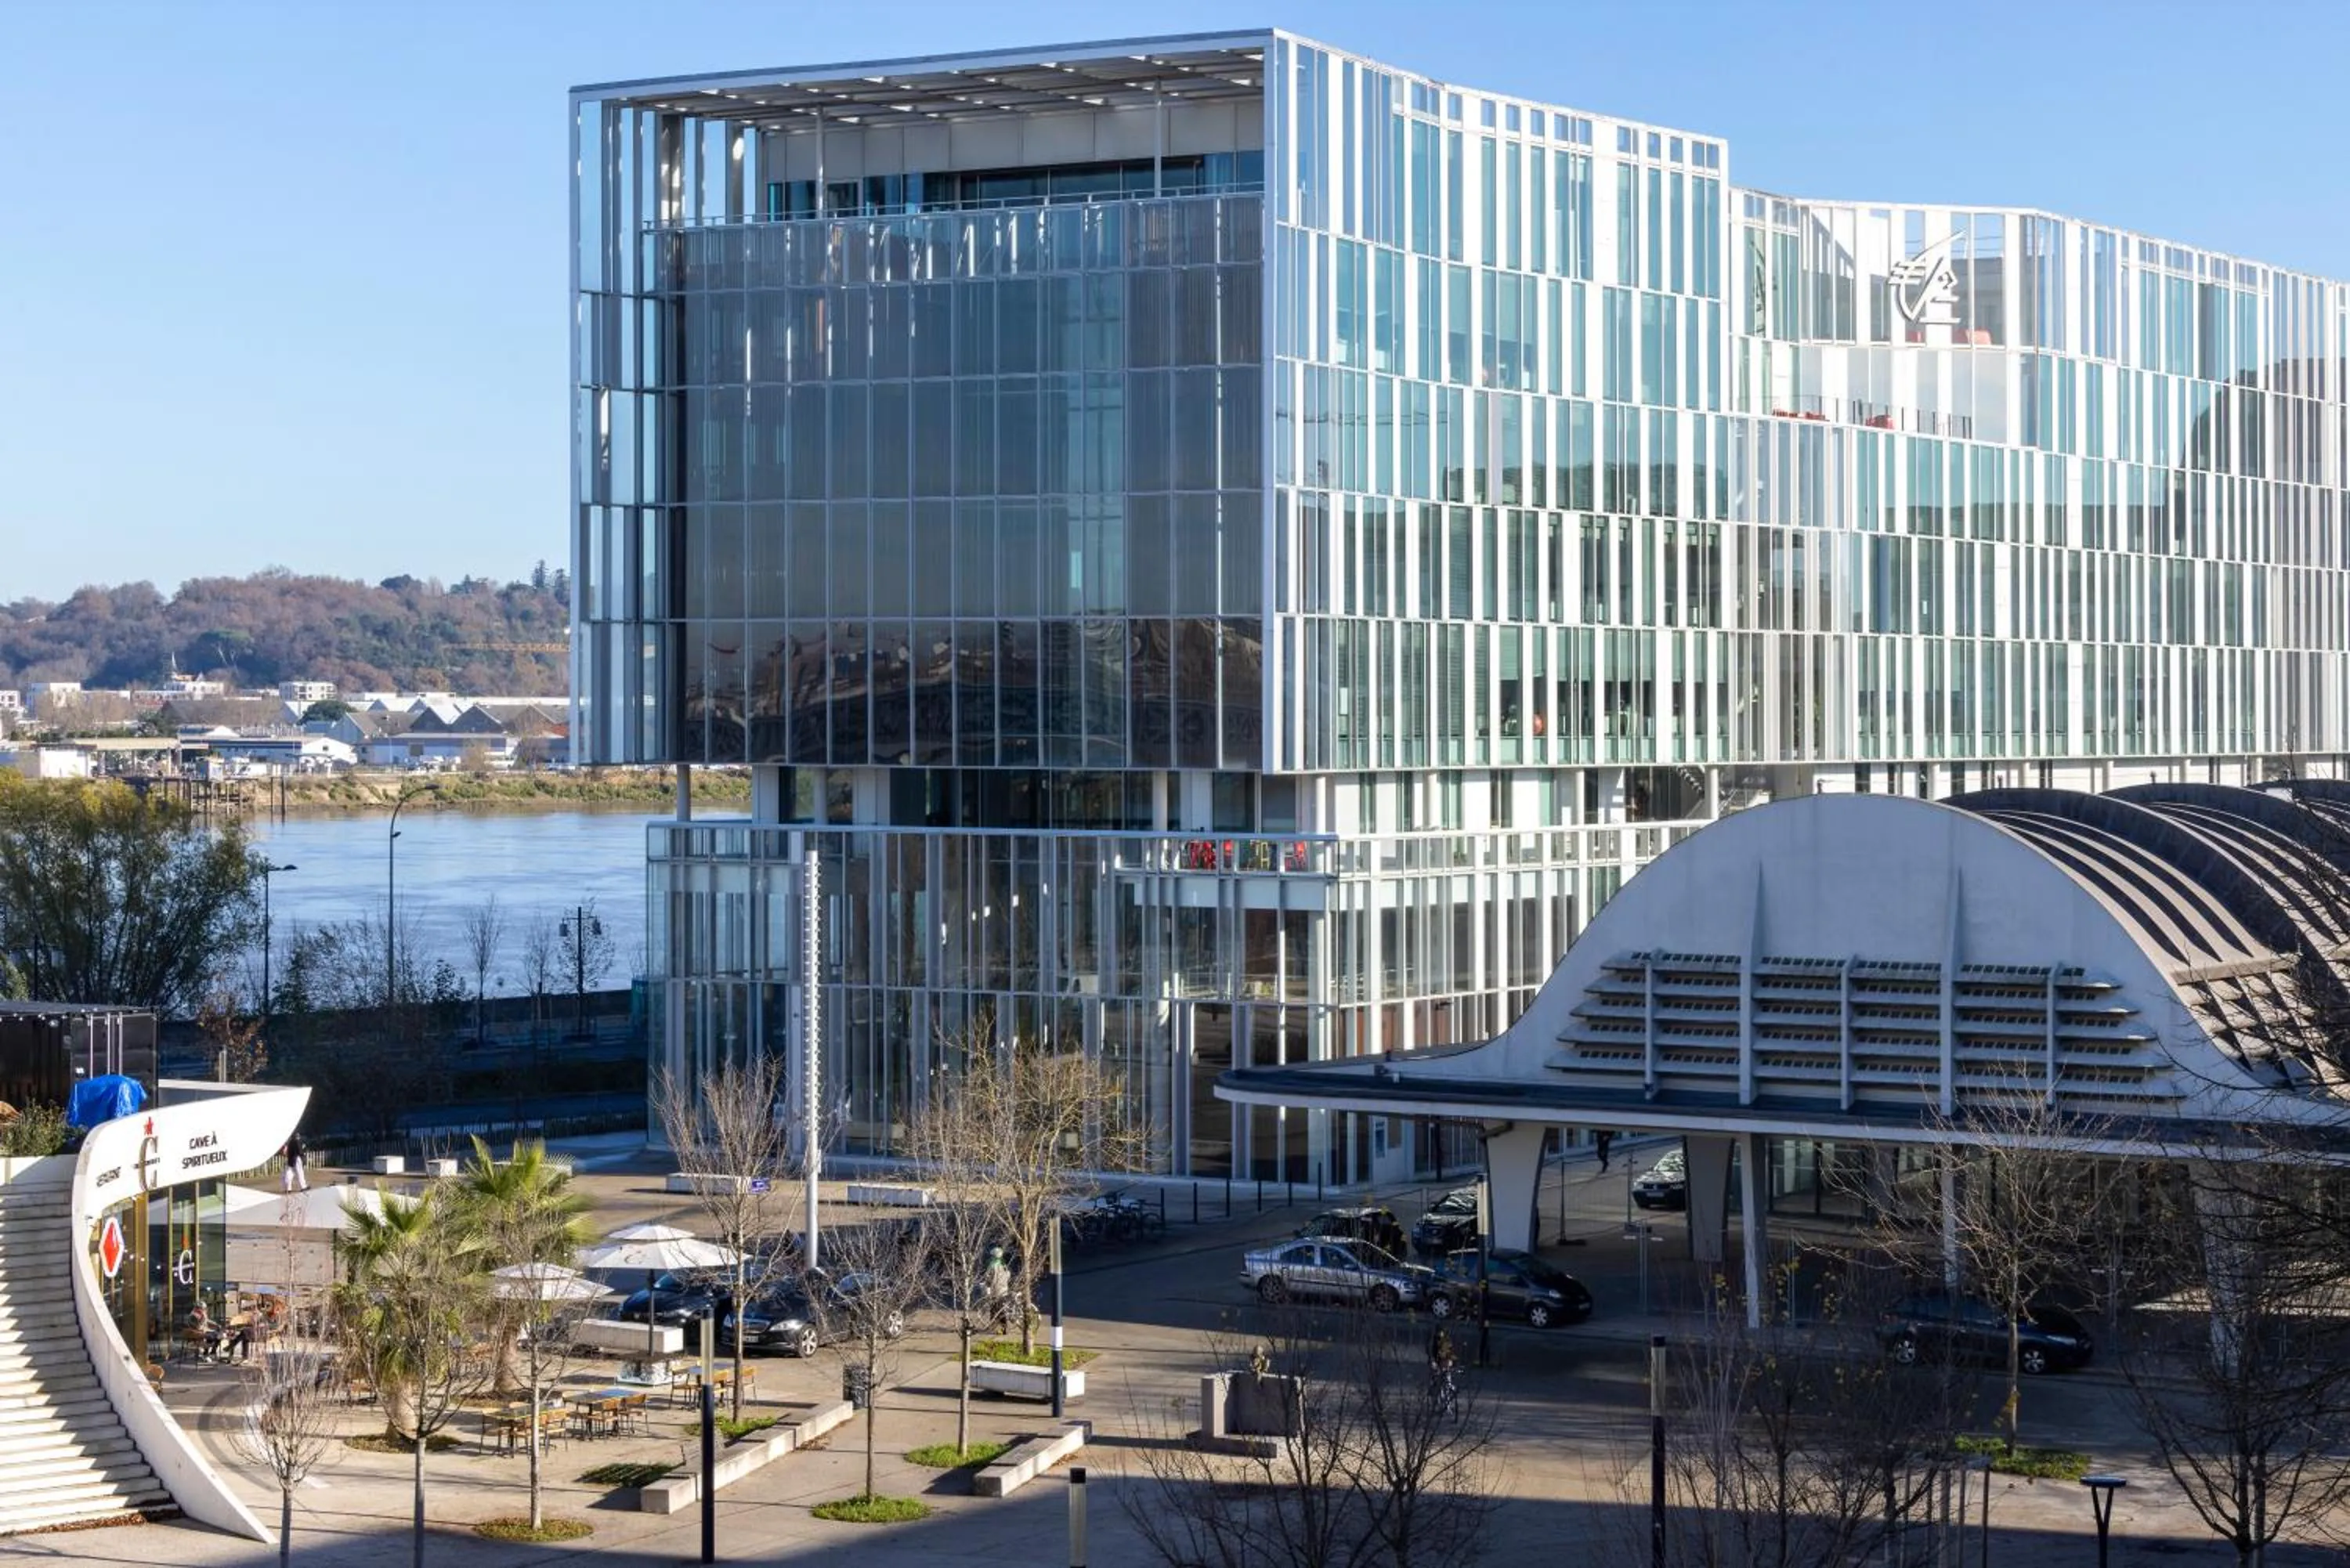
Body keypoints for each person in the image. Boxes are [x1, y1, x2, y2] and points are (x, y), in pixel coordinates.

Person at [280, 1129, 309, 1193]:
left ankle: (288, 1188)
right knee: (300, 1173)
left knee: (289, 1173)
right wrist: (303, 1152)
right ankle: (303, 1187)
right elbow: (299, 1151)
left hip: (290, 1159)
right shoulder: (297, 1141)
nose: (299, 1137)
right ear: (297, 1136)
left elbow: (285, 1152)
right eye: (298, 1136)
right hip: (297, 1158)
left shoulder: (289, 1142)